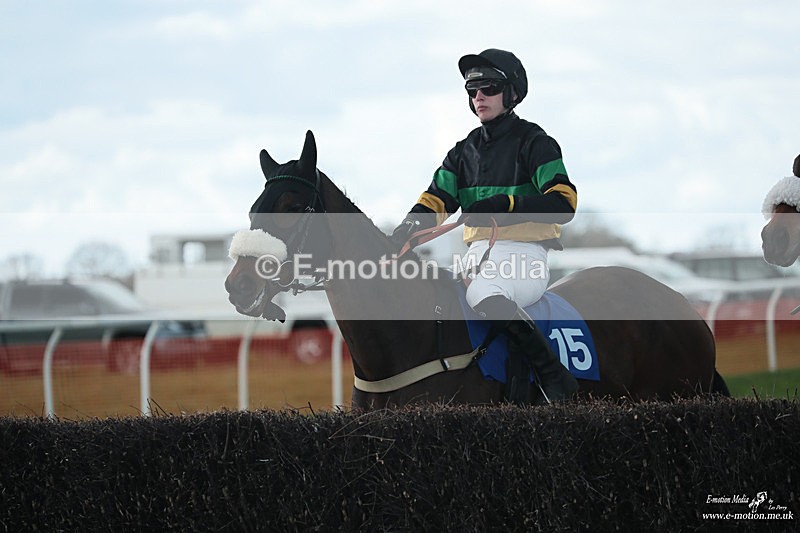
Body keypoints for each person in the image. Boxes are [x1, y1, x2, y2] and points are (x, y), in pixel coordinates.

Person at [391, 48, 578, 403]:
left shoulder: (536, 143)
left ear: (512, 93)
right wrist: (407, 228)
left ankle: (553, 375)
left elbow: (563, 203)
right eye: (472, 90)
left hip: (525, 258)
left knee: (481, 294)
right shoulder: (463, 152)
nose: (479, 96)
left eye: (489, 88)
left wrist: (506, 205)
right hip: (474, 258)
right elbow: (434, 201)